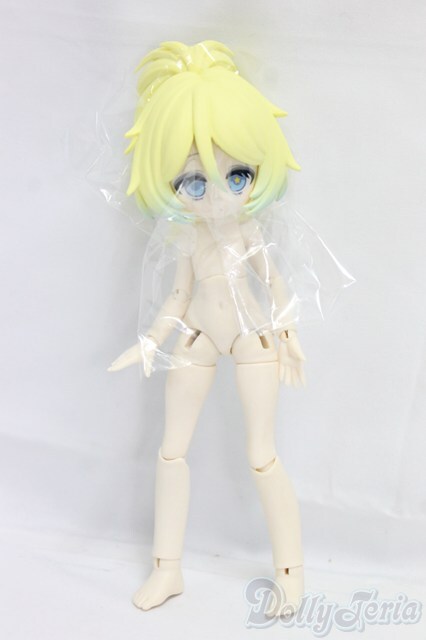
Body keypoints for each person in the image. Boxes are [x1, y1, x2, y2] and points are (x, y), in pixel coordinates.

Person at [109, 40, 306, 617]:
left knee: (262, 455)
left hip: (252, 336)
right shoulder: (188, 238)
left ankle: (291, 572)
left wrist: (290, 335)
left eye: (238, 174)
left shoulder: (250, 233)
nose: (218, 194)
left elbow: (276, 284)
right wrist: (150, 340)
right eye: (193, 182)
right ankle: (166, 568)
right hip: (195, 335)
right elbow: (178, 295)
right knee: (171, 450)